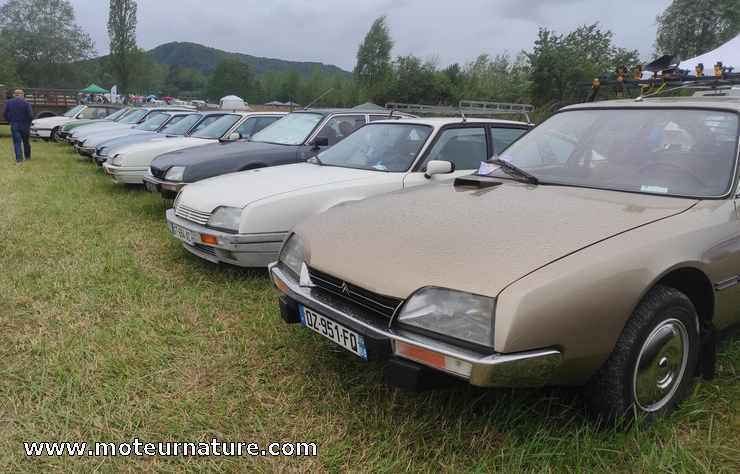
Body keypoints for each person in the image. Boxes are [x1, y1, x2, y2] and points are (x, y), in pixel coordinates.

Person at [2, 89, 33, 163]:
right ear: (22, 95)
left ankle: (19, 159)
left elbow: (4, 113)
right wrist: (28, 123)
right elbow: (30, 115)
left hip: (14, 124)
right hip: (25, 125)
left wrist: (10, 121)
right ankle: (27, 157)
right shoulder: (26, 103)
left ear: (14, 95)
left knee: (17, 143)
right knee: (26, 142)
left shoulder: (8, 102)